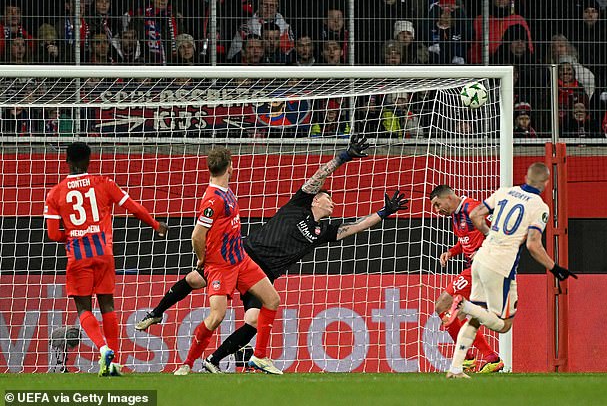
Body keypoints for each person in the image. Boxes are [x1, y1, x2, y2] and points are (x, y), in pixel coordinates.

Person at [136, 136, 409, 373]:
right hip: (243, 254)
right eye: (328, 198)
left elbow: (355, 228)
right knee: (196, 279)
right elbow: (319, 177)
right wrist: (344, 157)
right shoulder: (300, 203)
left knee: (254, 319)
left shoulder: (321, 232)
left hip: (262, 274)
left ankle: (215, 359)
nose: (333, 202)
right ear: (316, 199)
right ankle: (157, 312)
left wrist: (383, 213)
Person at [44, 142, 168, 376]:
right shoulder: (104, 183)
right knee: (108, 306)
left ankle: (102, 350)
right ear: (89, 160)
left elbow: (52, 234)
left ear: (67, 161)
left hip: (78, 256)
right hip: (103, 253)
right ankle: (114, 362)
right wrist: (155, 224)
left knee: (83, 309)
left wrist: (73, 235)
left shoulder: (55, 193)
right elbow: (134, 207)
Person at [444, 162, 577, 379]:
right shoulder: (539, 207)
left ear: (525, 176)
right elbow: (534, 245)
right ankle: (463, 304)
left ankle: (456, 368)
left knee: (477, 317)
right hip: (501, 266)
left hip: (480, 258)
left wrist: (491, 235)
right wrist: (555, 267)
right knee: (503, 325)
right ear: (545, 183)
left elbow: (477, 215)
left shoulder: (505, 192)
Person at [173, 148, 283, 376]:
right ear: (231, 167)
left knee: (272, 300)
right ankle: (187, 363)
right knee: (217, 316)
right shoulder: (213, 198)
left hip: (241, 260)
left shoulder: (226, 191)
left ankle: (260, 357)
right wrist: (202, 259)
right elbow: (196, 235)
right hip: (221, 266)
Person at [429, 185, 503, 373]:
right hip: (477, 269)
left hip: (483, 268)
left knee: (442, 306)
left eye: (438, 204)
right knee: (456, 317)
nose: (437, 210)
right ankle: (487, 357)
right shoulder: (456, 215)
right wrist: (451, 252)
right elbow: (465, 241)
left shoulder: (472, 209)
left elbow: (498, 232)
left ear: (448, 197)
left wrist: (484, 251)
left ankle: (472, 357)